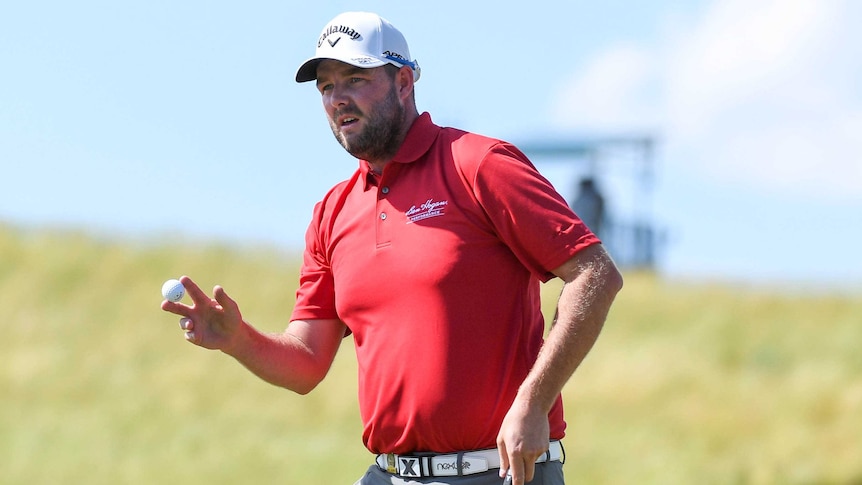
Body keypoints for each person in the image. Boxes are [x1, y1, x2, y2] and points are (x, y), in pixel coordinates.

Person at [161, 11, 623, 485]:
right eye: (325, 87)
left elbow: (595, 273)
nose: (338, 97)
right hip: (389, 475)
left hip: (501, 473)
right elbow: (305, 363)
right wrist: (240, 341)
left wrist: (534, 400)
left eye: (355, 79)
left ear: (403, 81)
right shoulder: (332, 212)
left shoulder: (478, 164)